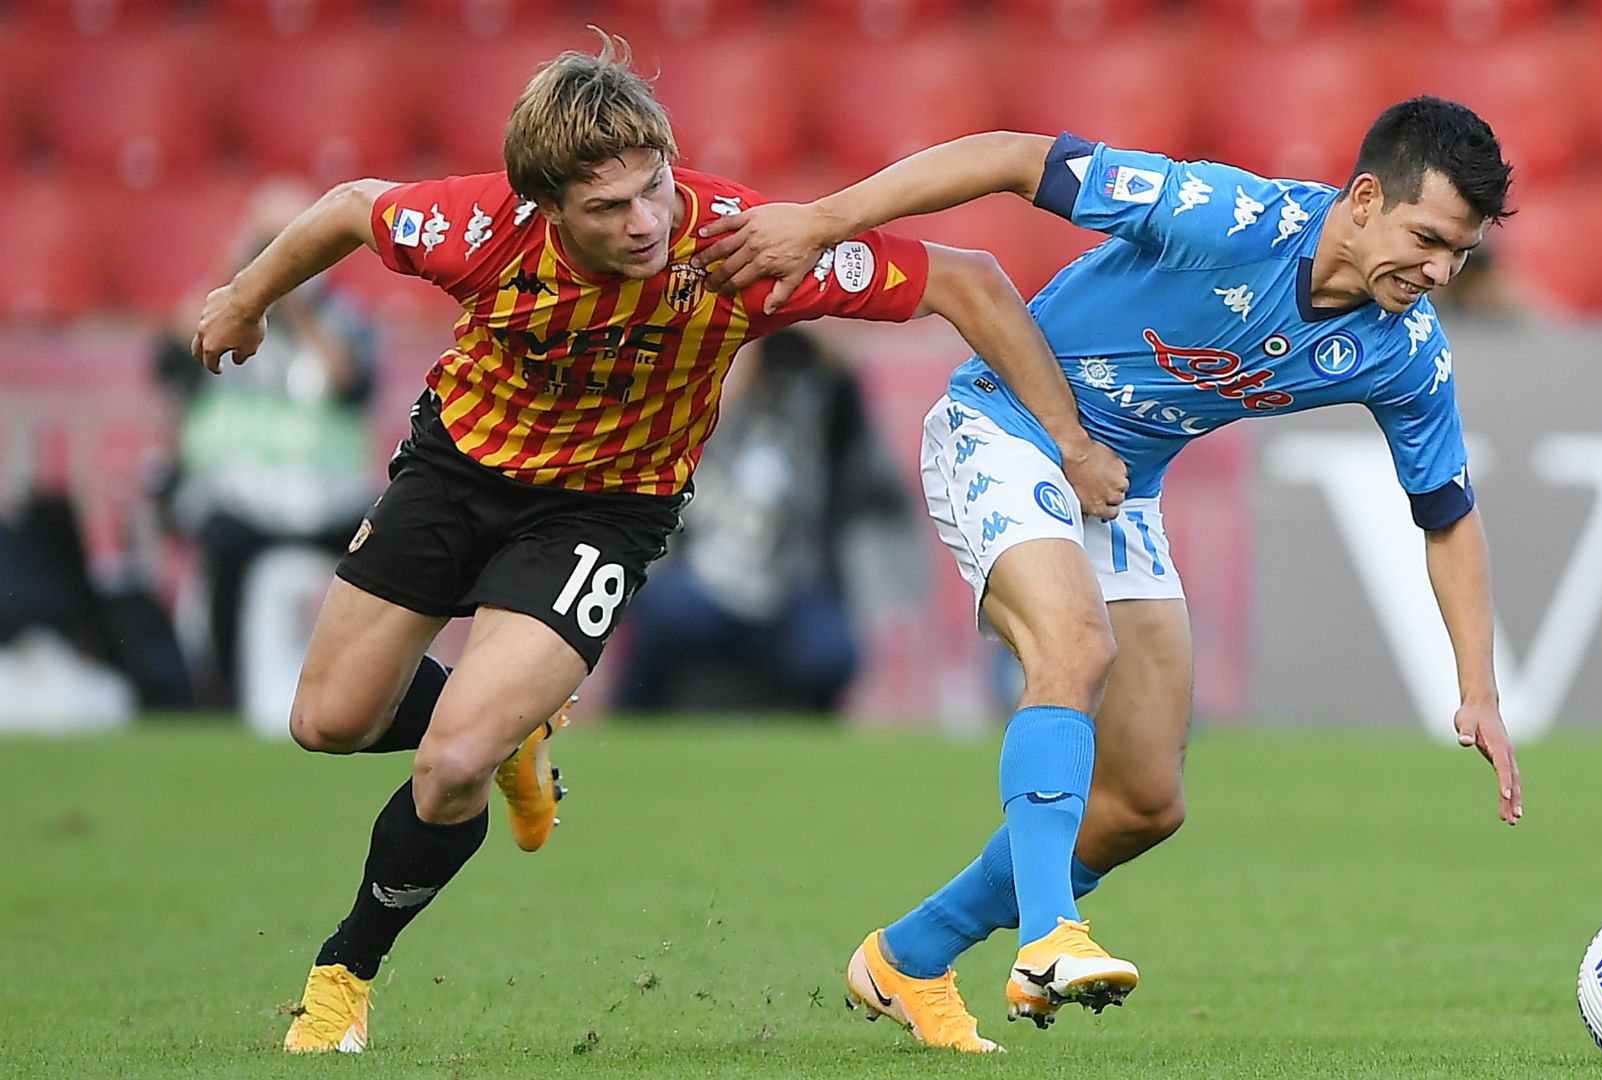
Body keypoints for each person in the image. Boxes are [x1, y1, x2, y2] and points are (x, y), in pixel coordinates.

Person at [190, 29, 1121, 1055]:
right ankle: (516, 727)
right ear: (546, 208)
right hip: (455, 473)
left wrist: (1071, 443)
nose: (645, 223)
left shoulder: (735, 247)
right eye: (609, 208)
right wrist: (245, 300)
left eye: (655, 189)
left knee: (451, 762)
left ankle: (343, 978)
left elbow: (970, 279)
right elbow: (346, 207)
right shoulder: (473, 227)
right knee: (326, 721)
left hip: (604, 511)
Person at [696, 97, 1526, 1051]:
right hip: (1004, 426)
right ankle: (1051, 937)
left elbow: (1448, 515)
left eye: (1459, 255)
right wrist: (826, 218)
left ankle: (908, 958)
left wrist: (1478, 688)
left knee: (1143, 802)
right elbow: (1014, 157)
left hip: (1117, 490)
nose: (1439, 273)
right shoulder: (1226, 217)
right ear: (1367, 198)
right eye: (1427, 240)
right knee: (1076, 649)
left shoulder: (1405, 351)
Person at [156, 178, 379, 708]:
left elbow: (353, 383)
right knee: (225, 554)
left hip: (326, 497)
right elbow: (170, 359)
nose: (277, 253)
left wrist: (296, 301)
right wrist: (236, 283)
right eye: (267, 241)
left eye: (290, 240)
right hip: (235, 495)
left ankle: (366, 690)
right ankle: (221, 693)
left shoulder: (344, 317)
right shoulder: (218, 311)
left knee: (385, 556)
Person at [617, 327, 912, 713]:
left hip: (794, 587)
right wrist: (736, 372)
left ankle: (810, 726)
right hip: (709, 579)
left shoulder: (826, 408)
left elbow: (862, 464)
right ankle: (632, 716)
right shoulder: (719, 400)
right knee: (659, 615)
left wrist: (833, 367)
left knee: (830, 654)